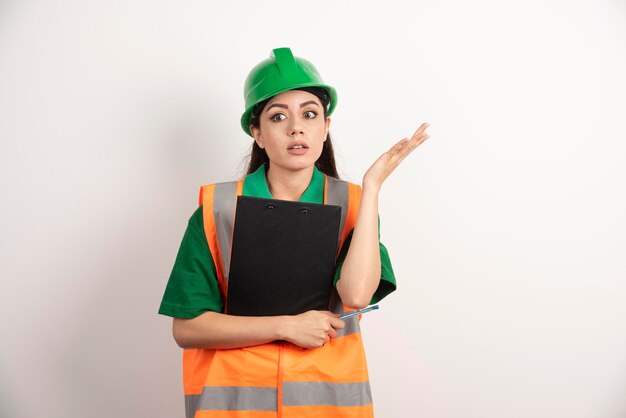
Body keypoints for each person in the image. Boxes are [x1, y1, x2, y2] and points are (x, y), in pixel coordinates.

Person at [158, 47, 430, 418]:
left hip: (328, 405)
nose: (296, 127)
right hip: (235, 404)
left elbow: (355, 293)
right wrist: (286, 327)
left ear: (326, 127)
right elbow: (187, 329)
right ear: (257, 132)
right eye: (278, 116)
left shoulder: (353, 204)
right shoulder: (217, 208)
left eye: (310, 114)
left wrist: (372, 189)